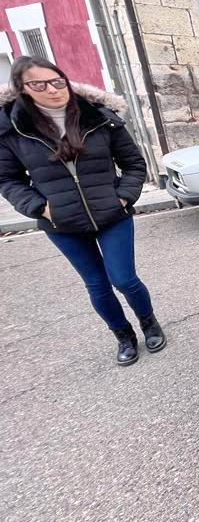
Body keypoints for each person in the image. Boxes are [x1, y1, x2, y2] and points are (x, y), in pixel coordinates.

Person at [0, 56, 163, 367]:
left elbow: (134, 164)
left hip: (113, 214)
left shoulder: (100, 117)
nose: (52, 89)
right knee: (97, 285)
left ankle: (149, 323)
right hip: (62, 224)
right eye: (40, 84)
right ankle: (123, 335)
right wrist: (39, 208)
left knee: (124, 279)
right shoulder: (12, 130)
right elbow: (7, 179)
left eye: (58, 81)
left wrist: (123, 199)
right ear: (23, 90)